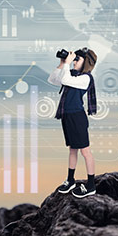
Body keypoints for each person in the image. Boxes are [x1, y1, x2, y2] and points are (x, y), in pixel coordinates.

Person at [47, 47, 98, 198]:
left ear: (86, 63)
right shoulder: (71, 74)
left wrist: (68, 64)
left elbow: (65, 80)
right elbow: (52, 79)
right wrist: (63, 64)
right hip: (67, 116)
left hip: (77, 117)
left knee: (85, 151)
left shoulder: (85, 78)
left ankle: (91, 184)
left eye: (78, 59)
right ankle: (70, 180)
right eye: (74, 58)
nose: (74, 61)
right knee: (72, 149)